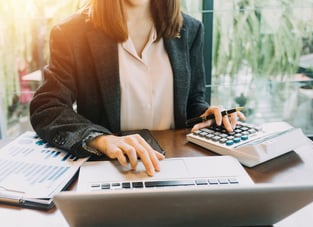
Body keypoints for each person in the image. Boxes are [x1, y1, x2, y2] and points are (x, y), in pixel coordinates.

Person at [30, 0, 245, 176]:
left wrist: (205, 115)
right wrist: (101, 140)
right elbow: (47, 107)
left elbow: (193, 101)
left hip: (177, 167)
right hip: (113, 168)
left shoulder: (190, 29)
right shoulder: (71, 34)